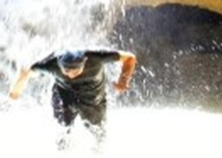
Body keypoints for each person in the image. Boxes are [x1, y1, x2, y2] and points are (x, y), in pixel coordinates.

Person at [9, 48, 137, 150]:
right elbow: (26, 72)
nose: (71, 75)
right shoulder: (51, 64)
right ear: (60, 65)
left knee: (99, 134)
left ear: (84, 62)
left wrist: (123, 80)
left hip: (93, 98)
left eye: (76, 71)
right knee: (63, 130)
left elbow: (129, 58)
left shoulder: (96, 56)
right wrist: (15, 91)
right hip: (65, 95)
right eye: (66, 71)